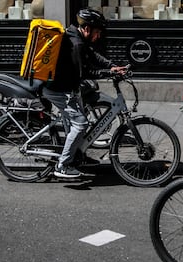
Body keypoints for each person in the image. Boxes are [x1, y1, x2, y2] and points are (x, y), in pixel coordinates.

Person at [42, 8, 127, 178]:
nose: (99, 36)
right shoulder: (76, 43)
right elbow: (86, 72)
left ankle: (77, 156)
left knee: (80, 118)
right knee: (81, 124)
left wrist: (111, 66)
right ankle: (63, 165)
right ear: (87, 29)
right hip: (58, 89)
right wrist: (109, 73)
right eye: (97, 32)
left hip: (67, 87)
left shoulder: (77, 36)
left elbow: (94, 56)